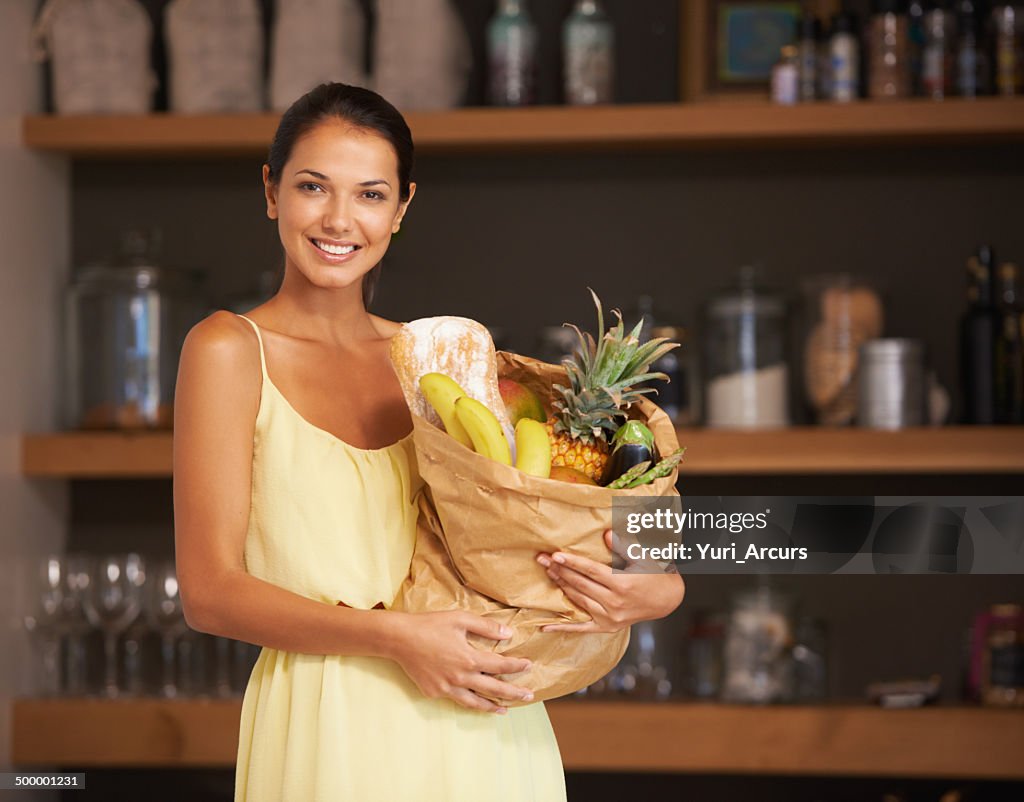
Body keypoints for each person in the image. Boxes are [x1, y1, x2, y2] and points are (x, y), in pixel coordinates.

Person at [173, 82, 685, 802]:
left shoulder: (443, 360)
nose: (339, 219)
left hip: (488, 725)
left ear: (402, 208)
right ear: (271, 191)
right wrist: (399, 639)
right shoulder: (227, 349)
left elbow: (563, 510)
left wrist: (659, 586)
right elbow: (210, 594)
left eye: (370, 195)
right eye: (313, 187)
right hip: (330, 730)